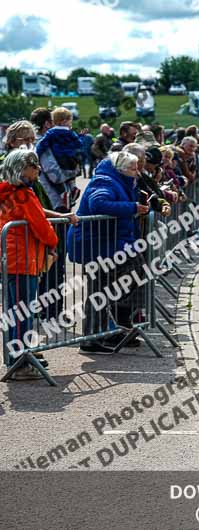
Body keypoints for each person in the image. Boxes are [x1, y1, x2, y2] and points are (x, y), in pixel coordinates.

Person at [67, 151, 150, 354]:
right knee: (100, 291)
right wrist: (132, 207)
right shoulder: (105, 181)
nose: (137, 172)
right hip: (96, 245)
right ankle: (92, 338)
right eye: (133, 168)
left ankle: (110, 329)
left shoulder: (120, 181)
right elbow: (98, 204)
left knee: (110, 287)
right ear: (121, 168)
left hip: (109, 244)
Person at [0, 150, 60, 379]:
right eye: (34, 166)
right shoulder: (23, 194)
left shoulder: (7, 192)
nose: (38, 170)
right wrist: (54, 241)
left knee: (16, 311)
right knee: (22, 313)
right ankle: (19, 363)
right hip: (22, 259)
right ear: (24, 168)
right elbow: (41, 225)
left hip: (13, 258)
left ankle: (16, 359)